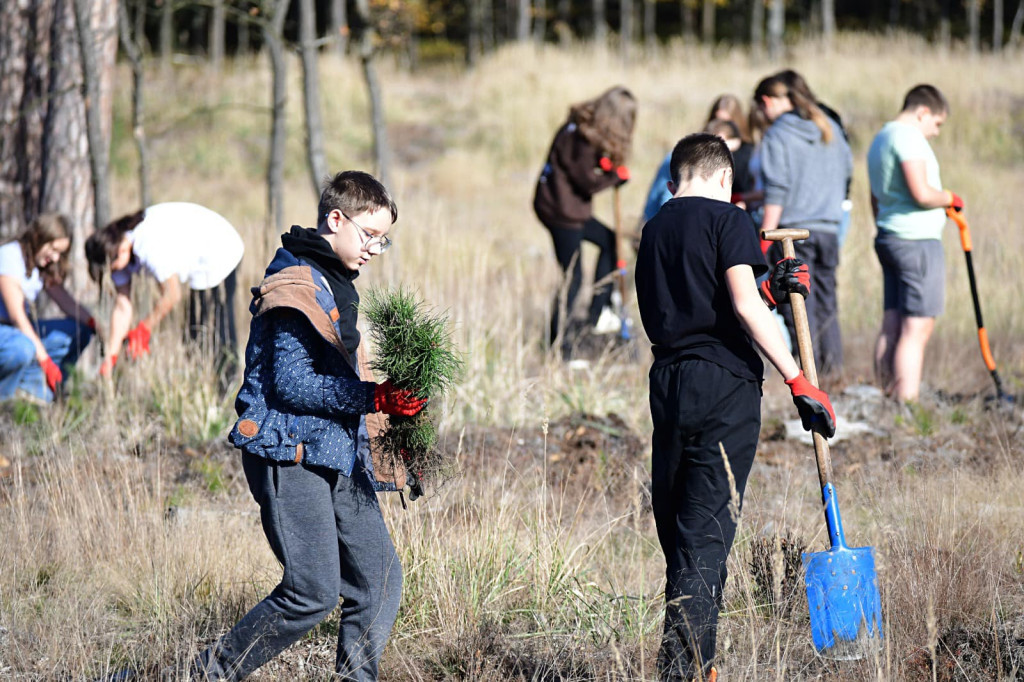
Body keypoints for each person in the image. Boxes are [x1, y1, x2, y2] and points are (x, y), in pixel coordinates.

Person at [192, 171, 426, 680]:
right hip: (289, 451)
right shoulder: (295, 281)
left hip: (336, 451)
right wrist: (373, 396)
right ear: (335, 219)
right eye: (368, 235)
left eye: (382, 240)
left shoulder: (335, 282)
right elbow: (292, 386)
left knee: (381, 581)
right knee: (311, 593)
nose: (373, 248)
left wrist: (387, 402)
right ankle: (205, 674)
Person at [634, 133, 836, 681]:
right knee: (705, 540)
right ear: (725, 178)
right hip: (724, 385)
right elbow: (741, 307)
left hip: (668, 383)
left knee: (681, 537)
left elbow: (703, 303)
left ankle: (704, 665)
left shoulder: (653, 230)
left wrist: (772, 289)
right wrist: (797, 378)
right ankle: (681, 672)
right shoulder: (730, 220)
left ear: (675, 181)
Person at [867, 84, 961, 402]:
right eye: (936, 123)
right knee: (916, 328)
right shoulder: (908, 138)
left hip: (890, 236)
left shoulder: (881, 138)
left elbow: (875, 196)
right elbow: (921, 192)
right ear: (922, 112)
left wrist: (884, 224)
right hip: (916, 241)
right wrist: (950, 198)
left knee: (892, 322)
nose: (935, 132)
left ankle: (885, 395)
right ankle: (906, 405)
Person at [755, 74, 853, 380]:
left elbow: (779, 190)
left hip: (791, 235)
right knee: (826, 302)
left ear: (767, 102)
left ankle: (811, 377)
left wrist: (763, 242)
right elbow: (846, 175)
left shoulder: (778, 135)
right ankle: (833, 373)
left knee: (796, 301)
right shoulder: (830, 127)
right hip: (828, 230)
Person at [84, 202, 244, 376]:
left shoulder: (149, 247)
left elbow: (172, 294)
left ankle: (226, 385)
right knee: (193, 331)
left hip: (220, 249)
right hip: (199, 256)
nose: (113, 274)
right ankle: (203, 379)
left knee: (214, 327)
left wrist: (144, 328)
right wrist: (111, 356)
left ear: (120, 250)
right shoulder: (120, 252)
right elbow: (122, 306)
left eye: (112, 268)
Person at [533, 86, 635, 354]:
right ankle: (557, 343)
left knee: (610, 242)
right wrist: (615, 177)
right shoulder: (580, 136)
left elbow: (584, 170)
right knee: (573, 277)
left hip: (570, 209)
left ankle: (597, 312)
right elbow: (586, 181)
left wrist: (606, 167)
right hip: (560, 212)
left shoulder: (583, 126)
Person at [0, 213, 94, 403]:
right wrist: (45, 361)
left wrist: (95, 325)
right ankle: (5, 400)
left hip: (17, 332)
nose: (55, 257)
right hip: (7, 330)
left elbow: (65, 302)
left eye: (60, 252)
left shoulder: (40, 266)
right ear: (39, 237)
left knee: (78, 331)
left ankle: (38, 392)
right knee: (23, 348)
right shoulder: (9, 256)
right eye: (53, 249)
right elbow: (17, 317)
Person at [775, 69, 854, 247]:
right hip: (832, 214)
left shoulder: (787, 126)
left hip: (803, 216)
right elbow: (847, 166)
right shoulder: (828, 117)